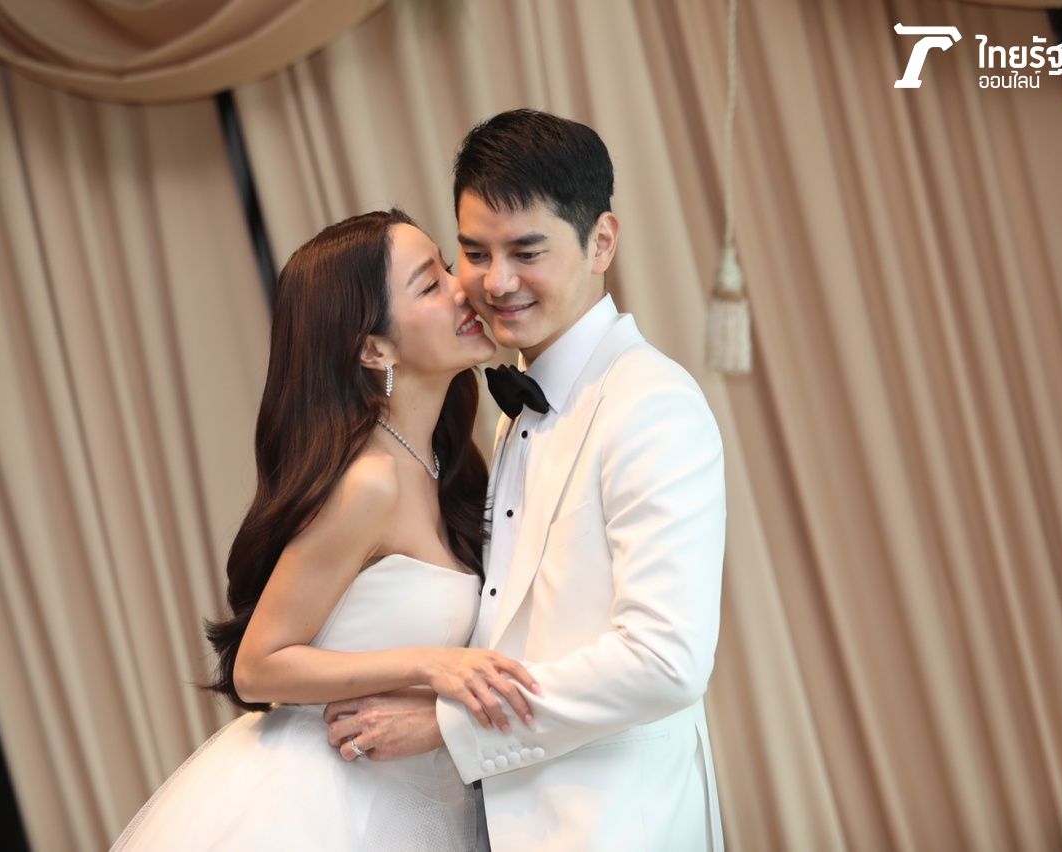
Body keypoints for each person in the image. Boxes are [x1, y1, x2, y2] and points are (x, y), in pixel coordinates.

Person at [324, 109, 727, 851]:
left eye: (526, 252)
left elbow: (666, 660)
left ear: (601, 242)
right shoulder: (513, 412)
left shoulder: (651, 403)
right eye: (475, 253)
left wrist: (450, 726)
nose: (497, 282)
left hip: (615, 826)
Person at [110, 209, 540, 851]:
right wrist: (433, 665)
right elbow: (258, 666)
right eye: (430, 284)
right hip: (320, 801)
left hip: (413, 791)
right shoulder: (368, 483)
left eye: (448, 268)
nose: (463, 289)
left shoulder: (444, 463)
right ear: (374, 349)